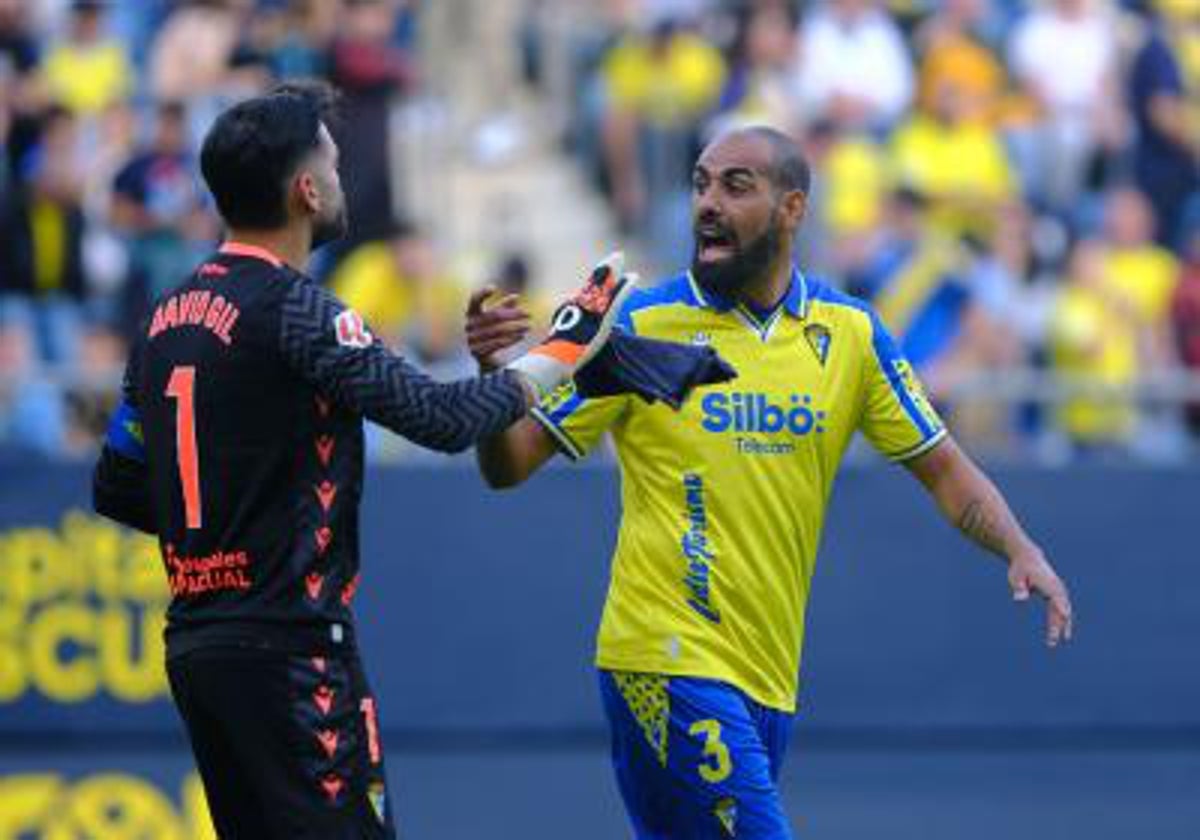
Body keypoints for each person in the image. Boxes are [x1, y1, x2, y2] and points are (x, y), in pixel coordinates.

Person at [468, 126, 1074, 839]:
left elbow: (942, 466)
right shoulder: (638, 323)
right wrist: (493, 379)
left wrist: (1019, 547)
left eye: (735, 185)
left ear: (792, 209)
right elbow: (508, 466)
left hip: (767, 677)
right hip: (663, 658)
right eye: (699, 183)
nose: (707, 204)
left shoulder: (848, 335)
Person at [90, 81, 633, 839]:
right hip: (294, 652)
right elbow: (442, 423)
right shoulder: (301, 309)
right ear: (307, 191)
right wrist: (567, 345)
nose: (344, 182)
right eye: (335, 166)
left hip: (198, 650)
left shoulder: (164, 317)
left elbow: (117, 485)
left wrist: (231, 512)